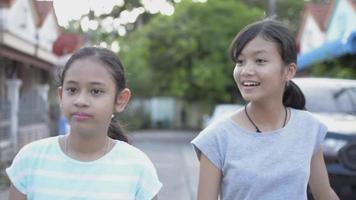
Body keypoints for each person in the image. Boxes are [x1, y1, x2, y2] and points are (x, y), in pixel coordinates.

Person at [191, 19, 339, 200]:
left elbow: (325, 195)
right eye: (240, 61)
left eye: (260, 60)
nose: (246, 70)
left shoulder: (308, 127)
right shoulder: (216, 138)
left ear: (289, 71)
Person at [6, 47, 162, 200]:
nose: (80, 101)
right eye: (72, 90)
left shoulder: (138, 167)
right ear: (61, 95)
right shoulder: (30, 160)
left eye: (95, 91)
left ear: (120, 100)